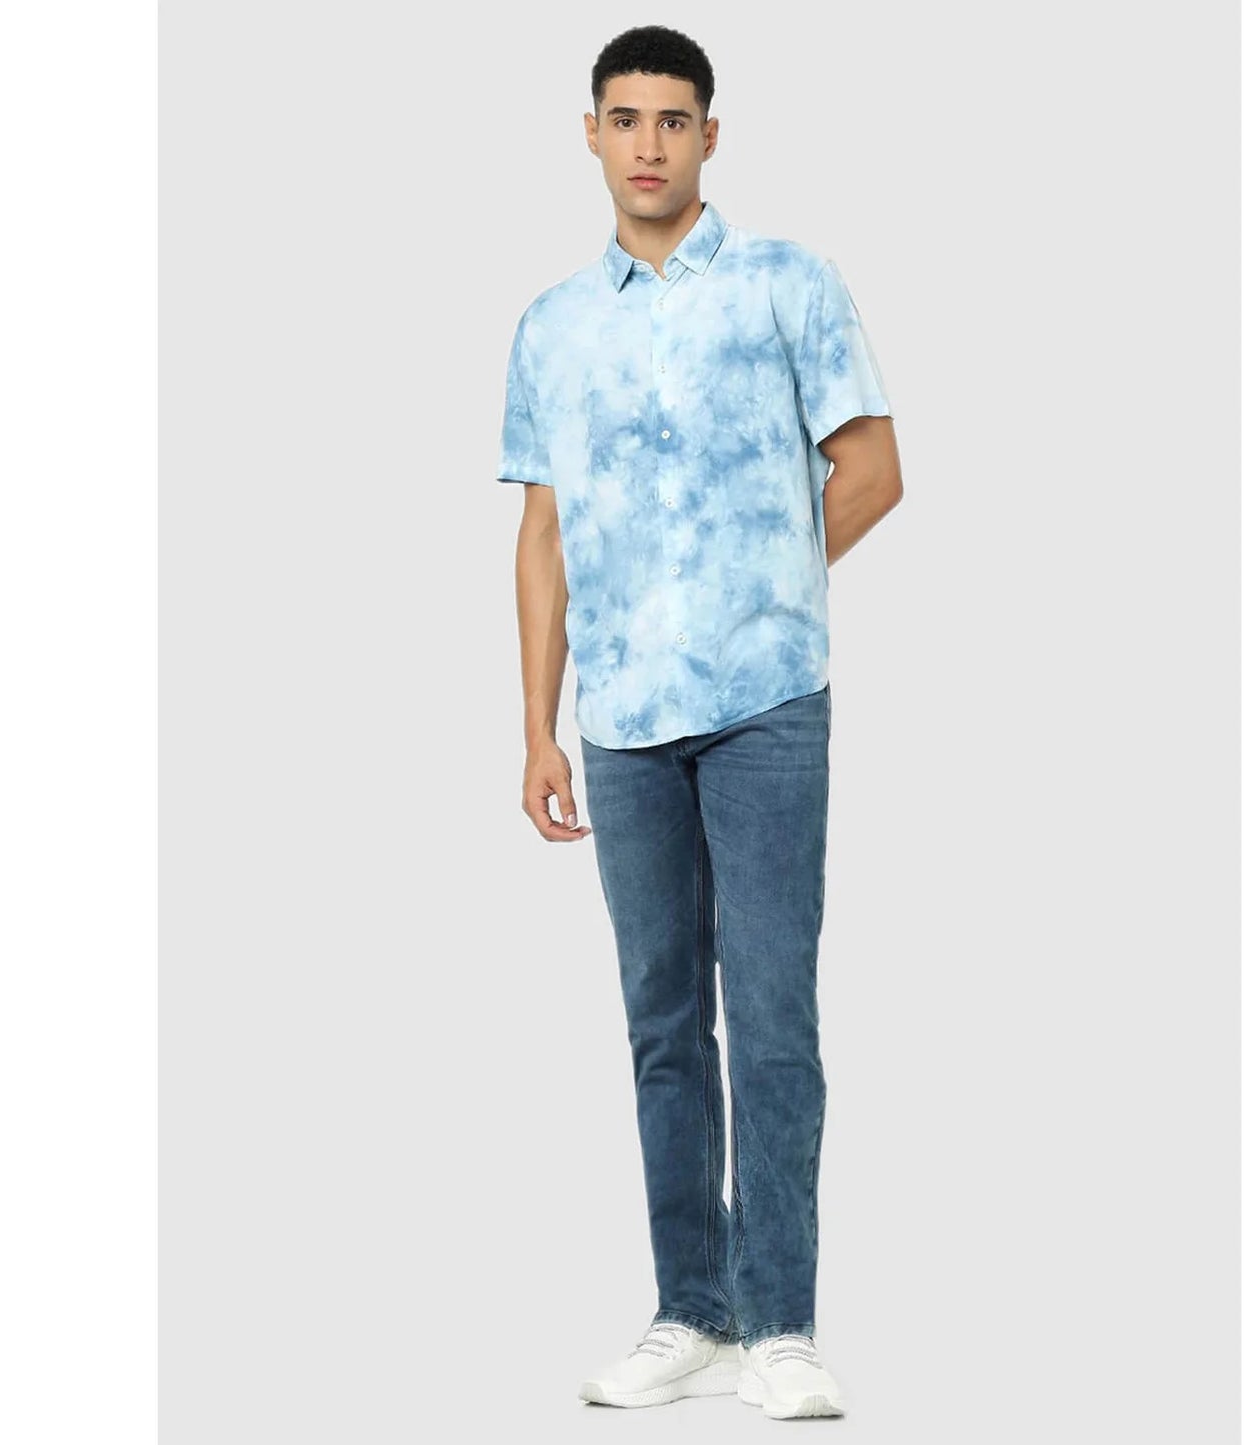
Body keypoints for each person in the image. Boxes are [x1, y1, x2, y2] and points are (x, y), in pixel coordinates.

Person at [496, 24, 903, 1421]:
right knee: (662, 1021)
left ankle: (781, 1320)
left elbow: (872, 467)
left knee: (772, 1011)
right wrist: (538, 726)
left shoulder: (790, 284)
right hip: (620, 723)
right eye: (625, 118)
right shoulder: (552, 327)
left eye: (674, 119)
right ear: (592, 134)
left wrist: (759, 583)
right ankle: (693, 1310)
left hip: (767, 706)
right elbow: (542, 536)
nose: (649, 144)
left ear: (710, 136)